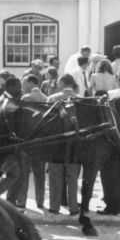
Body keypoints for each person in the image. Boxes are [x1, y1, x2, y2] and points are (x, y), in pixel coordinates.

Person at [8, 74, 48, 209]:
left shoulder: (26, 99)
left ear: (31, 83)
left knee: (24, 173)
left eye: (24, 83)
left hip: (26, 139)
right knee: (40, 173)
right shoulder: (45, 98)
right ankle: (40, 201)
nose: (23, 86)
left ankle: (22, 201)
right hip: (41, 140)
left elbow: (21, 120)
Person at [46, 74, 80, 215]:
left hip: (56, 143)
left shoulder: (52, 99)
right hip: (75, 143)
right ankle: (73, 207)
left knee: (55, 175)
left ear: (62, 83)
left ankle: (55, 206)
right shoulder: (80, 99)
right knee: (73, 177)